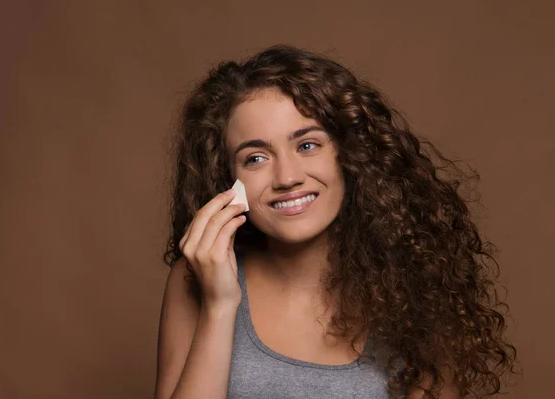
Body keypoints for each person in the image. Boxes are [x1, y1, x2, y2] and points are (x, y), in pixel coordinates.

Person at [155, 45, 518, 399]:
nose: (287, 177)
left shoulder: (418, 285)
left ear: (349, 154)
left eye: (307, 145)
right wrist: (219, 305)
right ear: (228, 179)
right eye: (255, 158)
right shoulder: (195, 279)